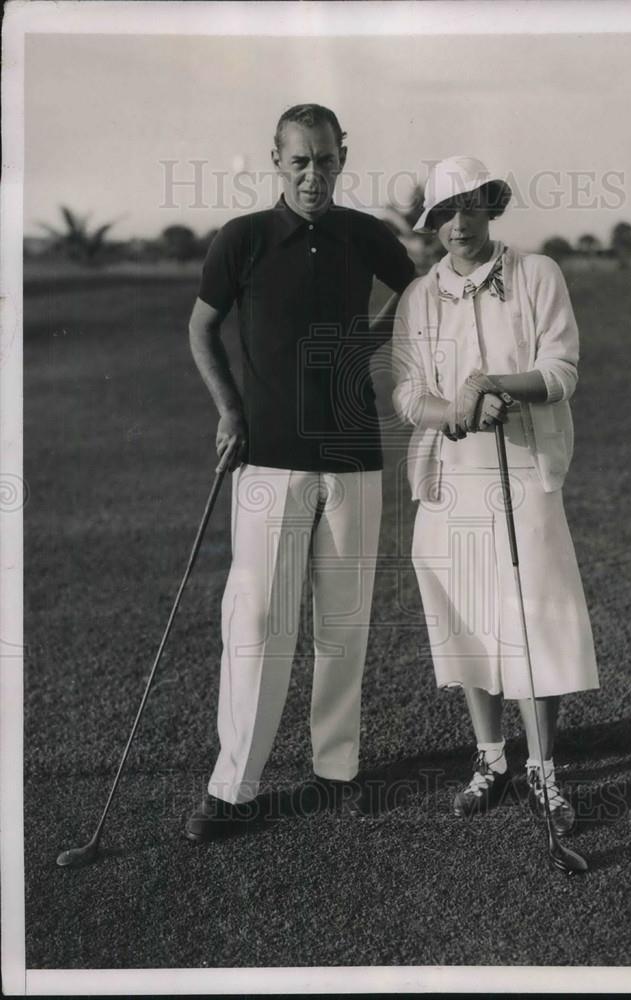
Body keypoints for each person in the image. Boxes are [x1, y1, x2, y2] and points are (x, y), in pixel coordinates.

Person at [185, 104, 416, 841]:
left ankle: (336, 767)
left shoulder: (364, 235)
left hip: (352, 452)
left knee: (341, 620)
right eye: (299, 161)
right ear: (275, 160)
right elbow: (201, 327)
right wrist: (229, 410)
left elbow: (414, 295)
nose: (313, 174)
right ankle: (235, 785)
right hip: (269, 457)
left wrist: (367, 345)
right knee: (256, 619)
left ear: (343, 156)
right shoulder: (243, 238)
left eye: (325, 159)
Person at [392, 156, 599, 833]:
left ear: (491, 206)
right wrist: (454, 409)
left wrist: (496, 387)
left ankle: (541, 768)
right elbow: (405, 393)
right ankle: (490, 760)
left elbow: (561, 369)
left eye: (470, 207)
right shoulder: (419, 297)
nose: (458, 224)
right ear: (429, 225)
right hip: (450, 479)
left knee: (535, 616)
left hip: (525, 471)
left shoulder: (536, 274)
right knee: (469, 622)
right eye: (443, 213)